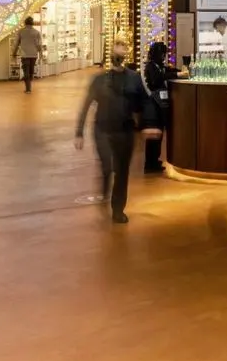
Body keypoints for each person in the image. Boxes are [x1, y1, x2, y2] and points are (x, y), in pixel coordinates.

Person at [74, 40, 148, 224]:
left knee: (122, 171)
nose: (119, 54)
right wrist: (79, 132)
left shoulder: (134, 78)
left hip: (125, 130)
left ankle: (118, 209)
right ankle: (105, 184)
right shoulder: (99, 80)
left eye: (123, 49)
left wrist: (147, 124)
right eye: (117, 49)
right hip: (102, 129)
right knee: (107, 165)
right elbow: (86, 103)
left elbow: (143, 103)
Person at [143, 41, 186, 174]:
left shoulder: (158, 66)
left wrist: (179, 71)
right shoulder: (151, 67)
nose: (163, 57)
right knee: (154, 134)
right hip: (153, 104)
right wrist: (176, 75)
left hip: (159, 104)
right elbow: (157, 79)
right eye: (162, 54)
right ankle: (150, 163)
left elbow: (169, 70)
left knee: (158, 133)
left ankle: (154, 160)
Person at [12, 16, 42, 93]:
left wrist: (14, 53)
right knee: (31, 71)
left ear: (25, 23)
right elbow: (39, 45)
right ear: (32, 23)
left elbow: (16, 44)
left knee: (26, 71)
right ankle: (29, 84)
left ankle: (28, 88)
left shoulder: (21, 31)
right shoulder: (36, 32)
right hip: (34, 54)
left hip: (25, 55)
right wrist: (40, 54)